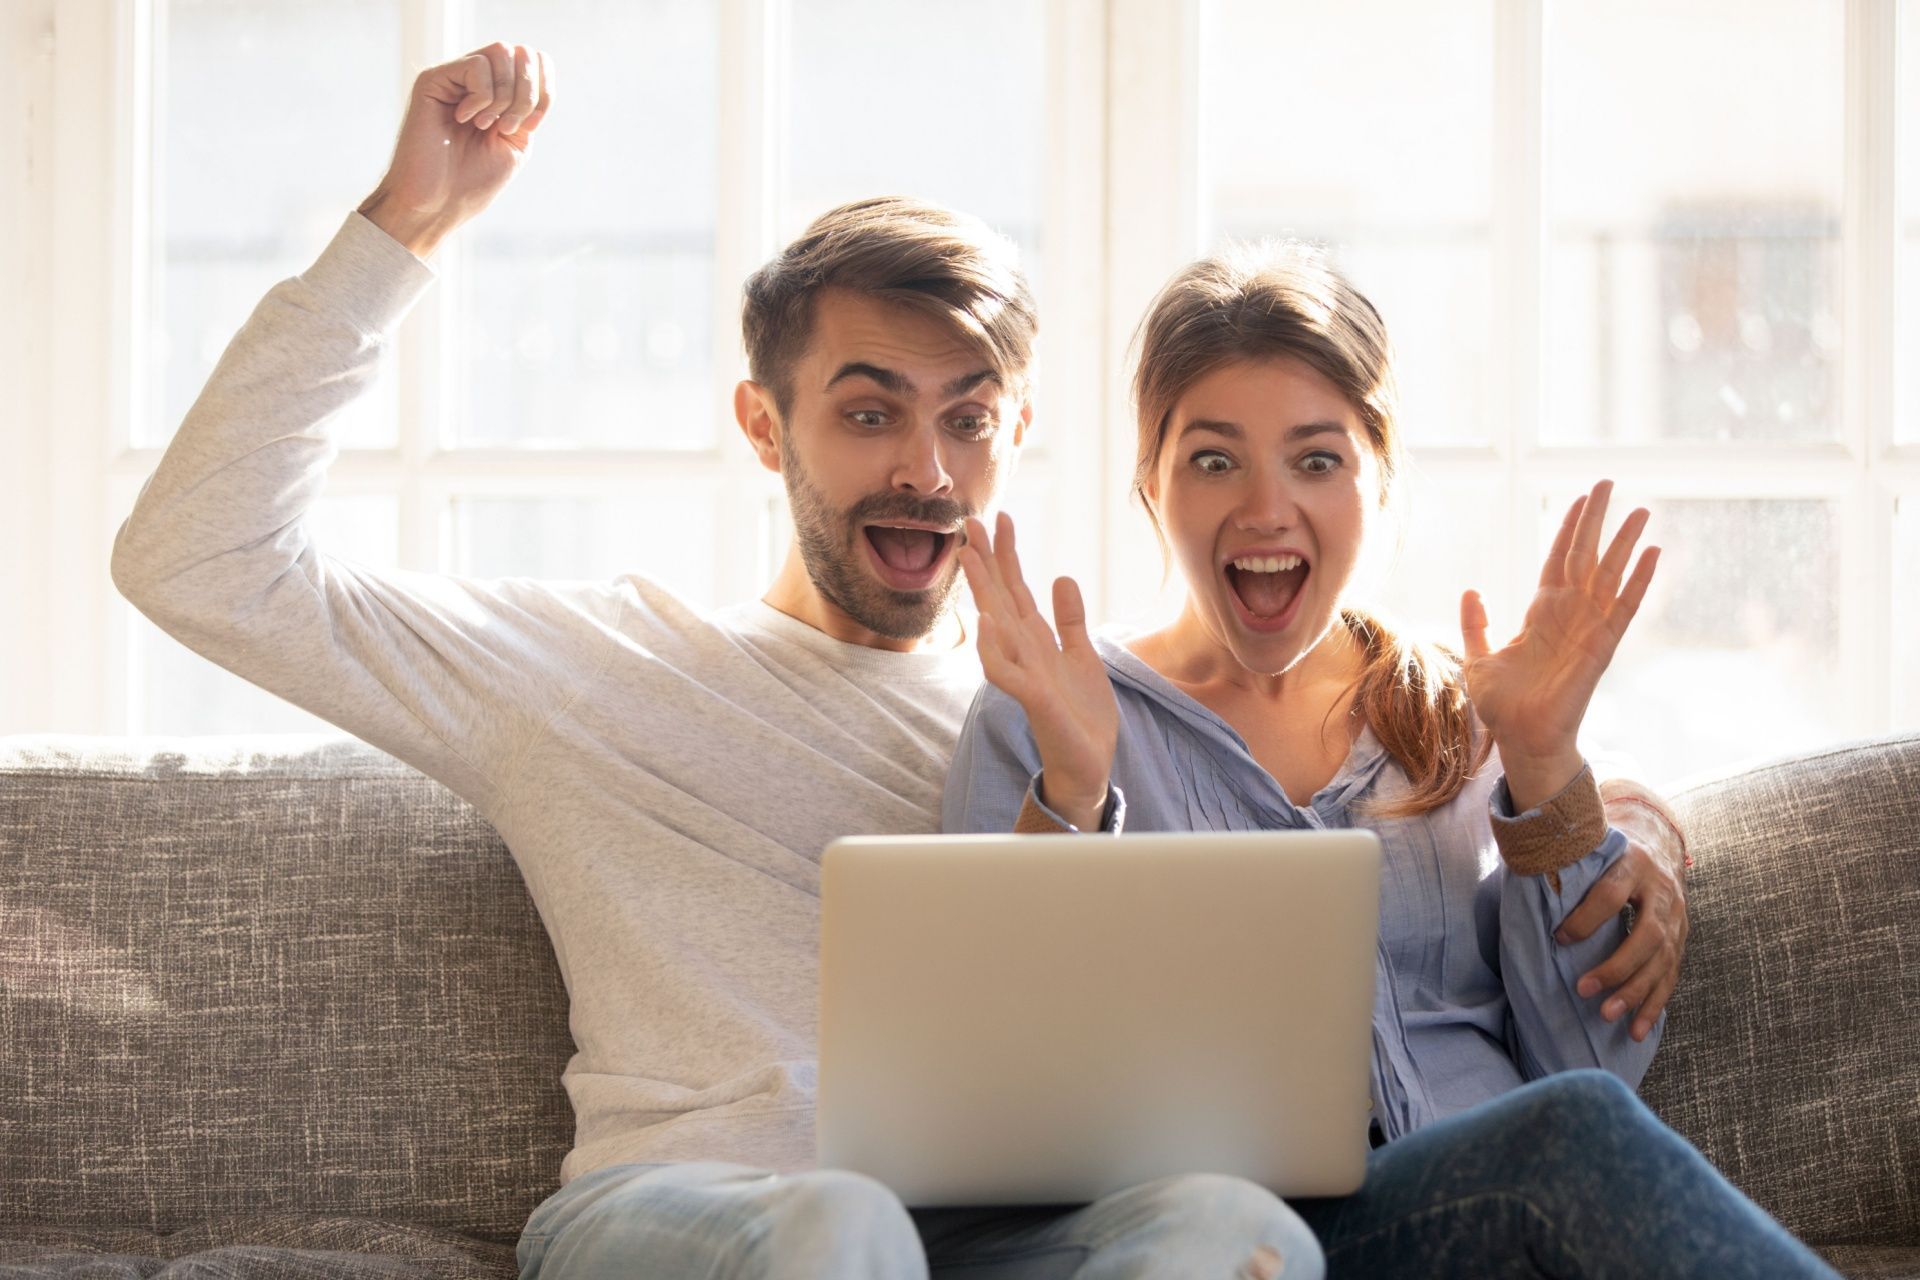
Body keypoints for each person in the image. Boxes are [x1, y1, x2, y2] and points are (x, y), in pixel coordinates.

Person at [112, 39, 1685, 1280]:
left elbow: (1371, 828)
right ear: (763, 424)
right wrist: (405, 232)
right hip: (705, 1214)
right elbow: (194, 562)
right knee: (839, 1227)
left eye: (968, 420)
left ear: (1023, 441)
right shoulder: (596, 669)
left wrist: (1645, 831)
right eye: (869, 413)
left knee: (1225, 1223)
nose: (926, 468)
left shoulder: (1070, 712)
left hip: (994, 1237)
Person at [944, 243, 1840, 1277]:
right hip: (1235, 1238)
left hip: (1481, 1218)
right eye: (1213, 457)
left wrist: (1553, 769)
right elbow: (993, 1097)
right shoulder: (1053, 710)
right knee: (1566, 1138)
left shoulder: (1464, 713)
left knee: (1575, 1122)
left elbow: (1594, 1064)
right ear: (1151, 481)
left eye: (1317, 459)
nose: (1266, 507)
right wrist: (1073, 790)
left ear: (1382, 478)